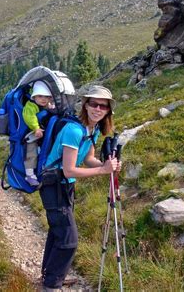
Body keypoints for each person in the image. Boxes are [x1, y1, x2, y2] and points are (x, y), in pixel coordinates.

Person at [39, 85, 121, 291]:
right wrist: (102, 171)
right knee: (69, 241)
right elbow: (69, 170)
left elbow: (88, 158)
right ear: (85, 105)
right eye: (94, 104)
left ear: (108, 111)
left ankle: (50, 276)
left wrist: (106, 166)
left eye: (103, 106)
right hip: (54, 185)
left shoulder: (92, 130)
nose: (98, 109)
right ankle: (51, 285)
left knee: (58, 233)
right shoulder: (74, 130)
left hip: (66, 187)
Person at [23, 81, 55, 186]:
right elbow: (30, 117)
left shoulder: (45, 105)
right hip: (31, 134)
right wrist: (36, 128)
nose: (44, 99)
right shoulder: (31, 105)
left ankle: (40, 169)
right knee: (31, 153)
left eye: (47, 96)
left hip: (41, 134)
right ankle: (29, 175)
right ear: (34, 96)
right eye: (40, 96)